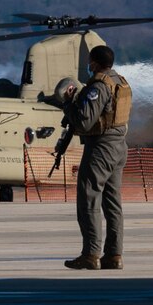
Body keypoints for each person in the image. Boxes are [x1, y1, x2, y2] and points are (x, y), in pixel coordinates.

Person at [54, 45, 131, 270]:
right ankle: (114, 255)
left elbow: (84, 122)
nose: (89, 65)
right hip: (119, 146)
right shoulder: (120, 82)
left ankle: (91, 254)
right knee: (112, 203)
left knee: (88, 198)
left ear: (95, 63)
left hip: (101, 148)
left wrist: (68, 103)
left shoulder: (98, 87)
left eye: (90, 62)